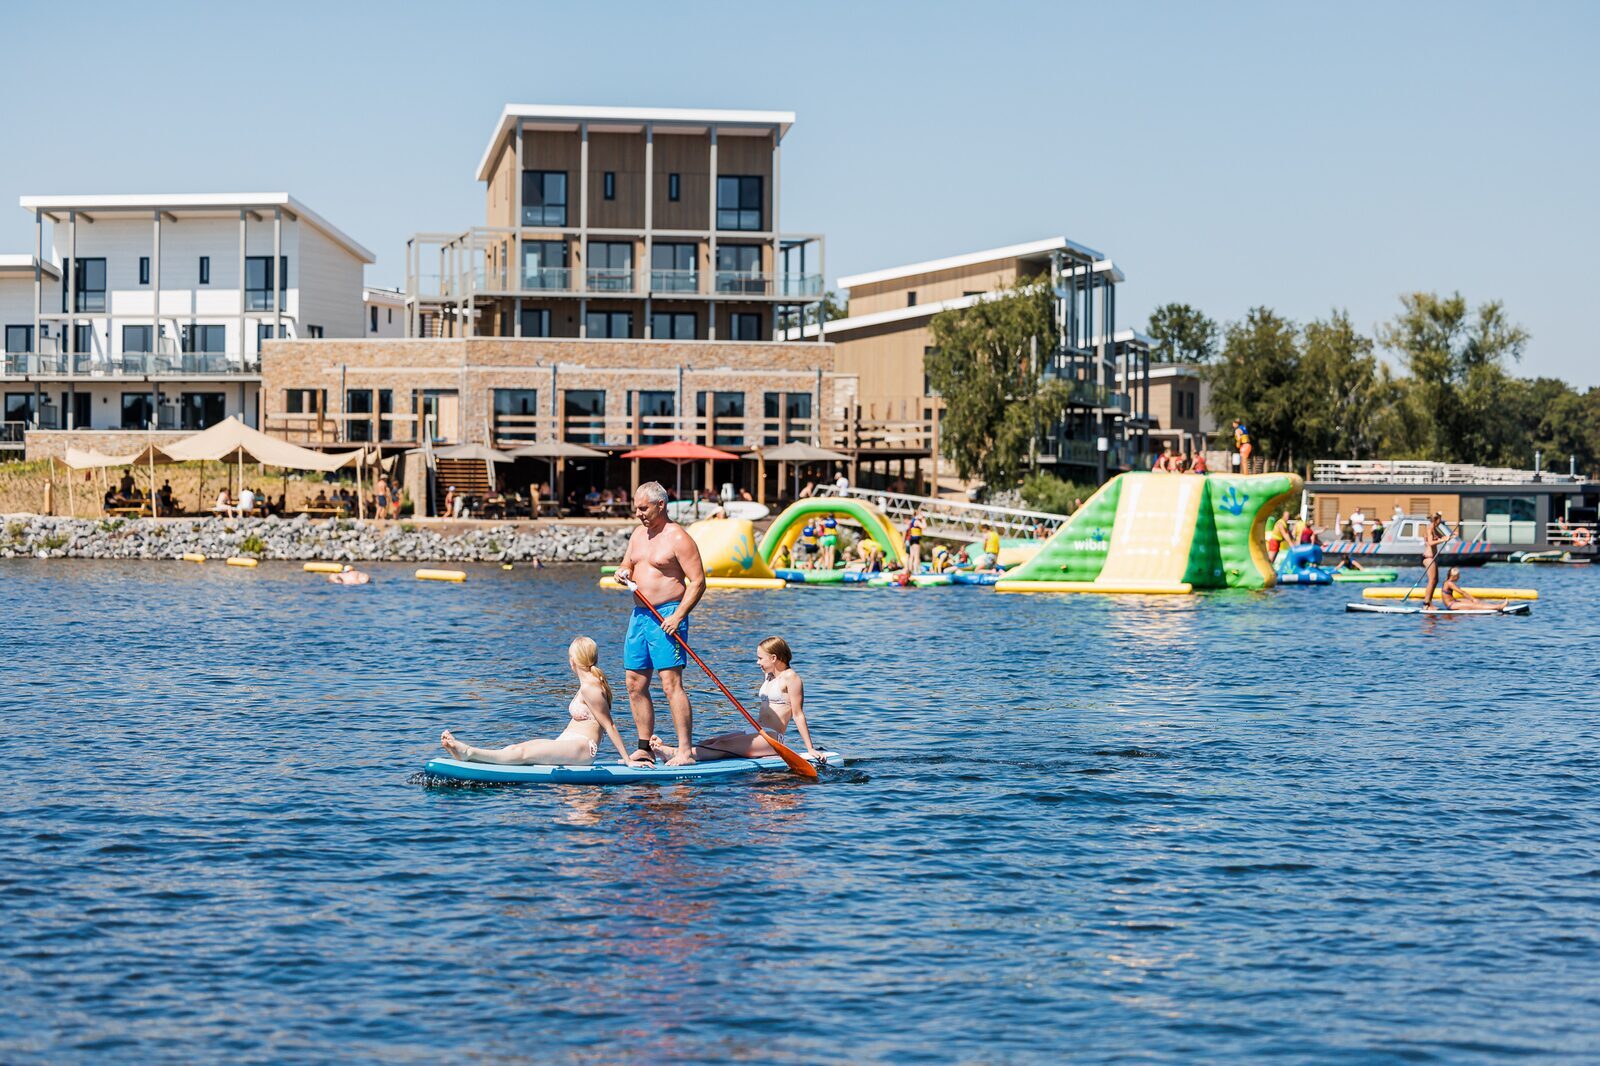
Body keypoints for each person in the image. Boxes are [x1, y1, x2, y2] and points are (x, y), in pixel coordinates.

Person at [614, 482, 707, 767]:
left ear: (660, 505)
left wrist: (678, 616)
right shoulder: (639, 534)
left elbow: (699, 582)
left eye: (643, 508)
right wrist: (623, 571)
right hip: (639, 616)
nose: (638, 514)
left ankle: (684, 751)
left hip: (667, 616)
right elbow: (627, 564)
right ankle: (644, 748)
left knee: (670, 684)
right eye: (636, 508)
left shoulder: (678, 537)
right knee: (634, 683)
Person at [440, 637, 636, 766]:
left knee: (522, 752)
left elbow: (609, 725)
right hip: (569, 743)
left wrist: (627, 760)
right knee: (515, 750)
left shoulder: (590, 687)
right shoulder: (587, 683)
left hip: (581, 748)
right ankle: (472, 756)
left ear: (573, 661)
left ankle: (468, 752)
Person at [650, 637, 819, 764]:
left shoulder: (791, 678)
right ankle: (679, 751)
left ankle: (674, 753)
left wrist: (810, 749)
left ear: (774, 658)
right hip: (756, 731)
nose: (757, 662)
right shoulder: (769, 675)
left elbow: (798, 715)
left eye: (761, 658)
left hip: (773, 739)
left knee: (724, 745)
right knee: (711, 742)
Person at [1439, 567, 1508, 611]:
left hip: (1453, 602)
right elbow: (1462, 592)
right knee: (1474, 604)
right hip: (1452, 605)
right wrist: (1473, 599)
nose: (1459, 577)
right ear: (1454, 576)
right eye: (1458, 576)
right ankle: (1499, 607)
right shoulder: (1449, 583)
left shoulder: (1447, 582)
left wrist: (1473, 600)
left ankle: (1494, 606)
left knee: (1475, 603)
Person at [1420, 512, 1450, 607]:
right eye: (1440, 520)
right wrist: (1442, 540)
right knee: (1432, 580)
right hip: (1428, 558)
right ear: (1436, 520)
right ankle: (1426, 604)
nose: (1440, 522)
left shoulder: (1434, 529)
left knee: (1435, 580)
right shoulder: (1430, 529)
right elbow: (1430, 543)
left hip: (1432, 558)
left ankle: (1429, 603)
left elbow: (1438, 539)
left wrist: (1449, 537)